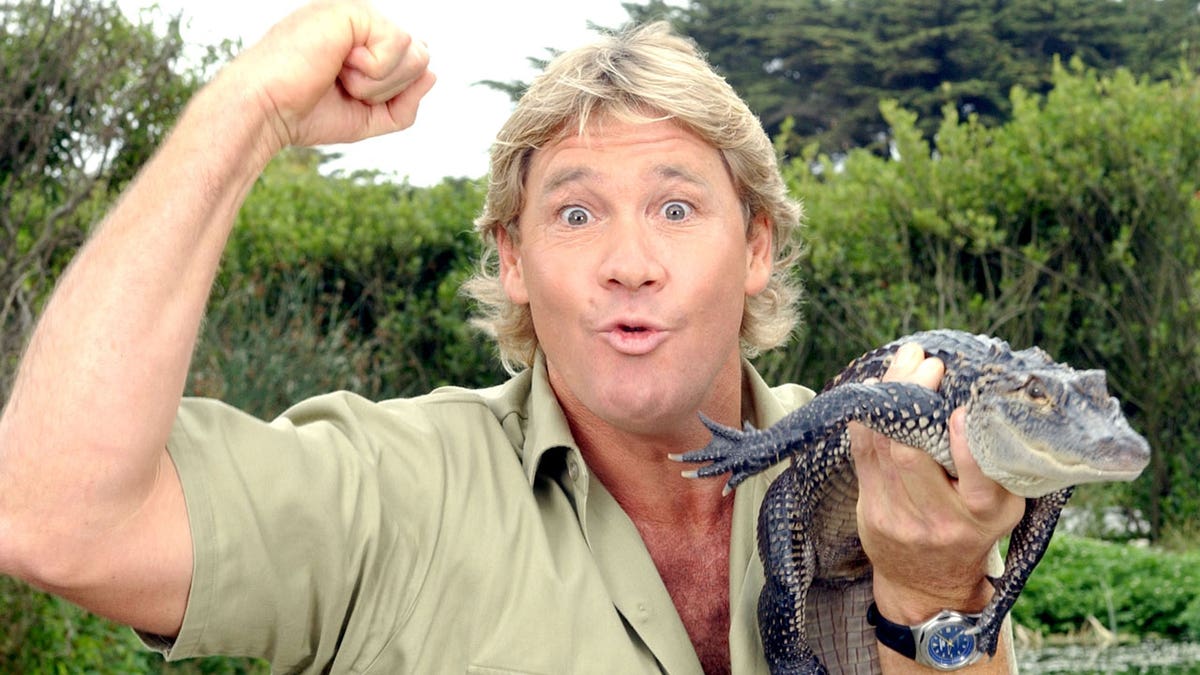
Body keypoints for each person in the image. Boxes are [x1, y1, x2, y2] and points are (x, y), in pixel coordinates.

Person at [0, 1, 1025, 673]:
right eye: (576, 214)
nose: (630, 260)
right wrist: (249, 106)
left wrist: (929, 587)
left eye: (677, 208)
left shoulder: (884, 471)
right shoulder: (386, 495)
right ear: (514, 260)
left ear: (755, 245)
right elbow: (52, 518)